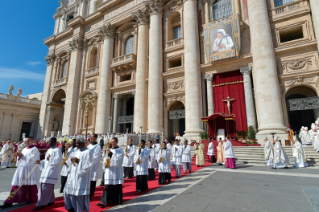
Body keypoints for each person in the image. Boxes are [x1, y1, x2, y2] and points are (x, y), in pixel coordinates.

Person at [0, 137, 40, 209]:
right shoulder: (24, 149)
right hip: (21, 169)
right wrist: (19, 157)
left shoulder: (35, 149)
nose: (26, 143)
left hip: (29, 170)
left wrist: (22, 156)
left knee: (28, 184)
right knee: (16, 184)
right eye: (25, 141)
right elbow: (21, 159)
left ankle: (30, 199)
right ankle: (9, 201)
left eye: (28, 141)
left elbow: (32, 160)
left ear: (32, 141)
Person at [64, 137, 93, 212]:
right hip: (73, 176)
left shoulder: (87, 152)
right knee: (67, 192)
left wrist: (78, 160)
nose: (75, 144)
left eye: (77, 143)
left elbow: (89, 165)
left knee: (78, 197)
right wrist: (69, 161)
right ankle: (71, 209)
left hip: (81, 178)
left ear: (82, 143)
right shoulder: (76, 151)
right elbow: (71, 160)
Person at [34, 137, 63, 210]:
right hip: (46, 171)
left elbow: (58, 160)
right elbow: (46, 160)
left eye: (51, 141)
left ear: (55, 142)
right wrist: (41, 161)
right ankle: (50, 200)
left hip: (51, 172)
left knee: (44, 188)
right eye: (49, 141)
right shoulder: (49, 150)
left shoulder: (57, 150)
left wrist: (50, 159)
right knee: (49, 188)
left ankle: (41, 203)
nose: (49, 143)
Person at [97, 137, 124, 208]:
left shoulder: (120, 150)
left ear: (117, 142)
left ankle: (116, 200)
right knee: (107, 186)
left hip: (116, 172)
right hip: (109, 171)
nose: (112, 143)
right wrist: (104, 164)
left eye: (113, 142)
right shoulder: (109, 150)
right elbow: (105, 159)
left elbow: (118, 160)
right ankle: (104, 201)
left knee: (116, 186)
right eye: (111, 142)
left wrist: (111, 154)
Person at [87, 134, 101, 200]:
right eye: (91, 137)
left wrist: (89, 163)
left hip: (93, 166)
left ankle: (90, 195)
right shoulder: (88, 146)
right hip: (87, 166)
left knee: (92, 181)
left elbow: (96, 157)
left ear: (96, 138)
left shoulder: (98, 146)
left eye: (92, 137)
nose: (91, 138)